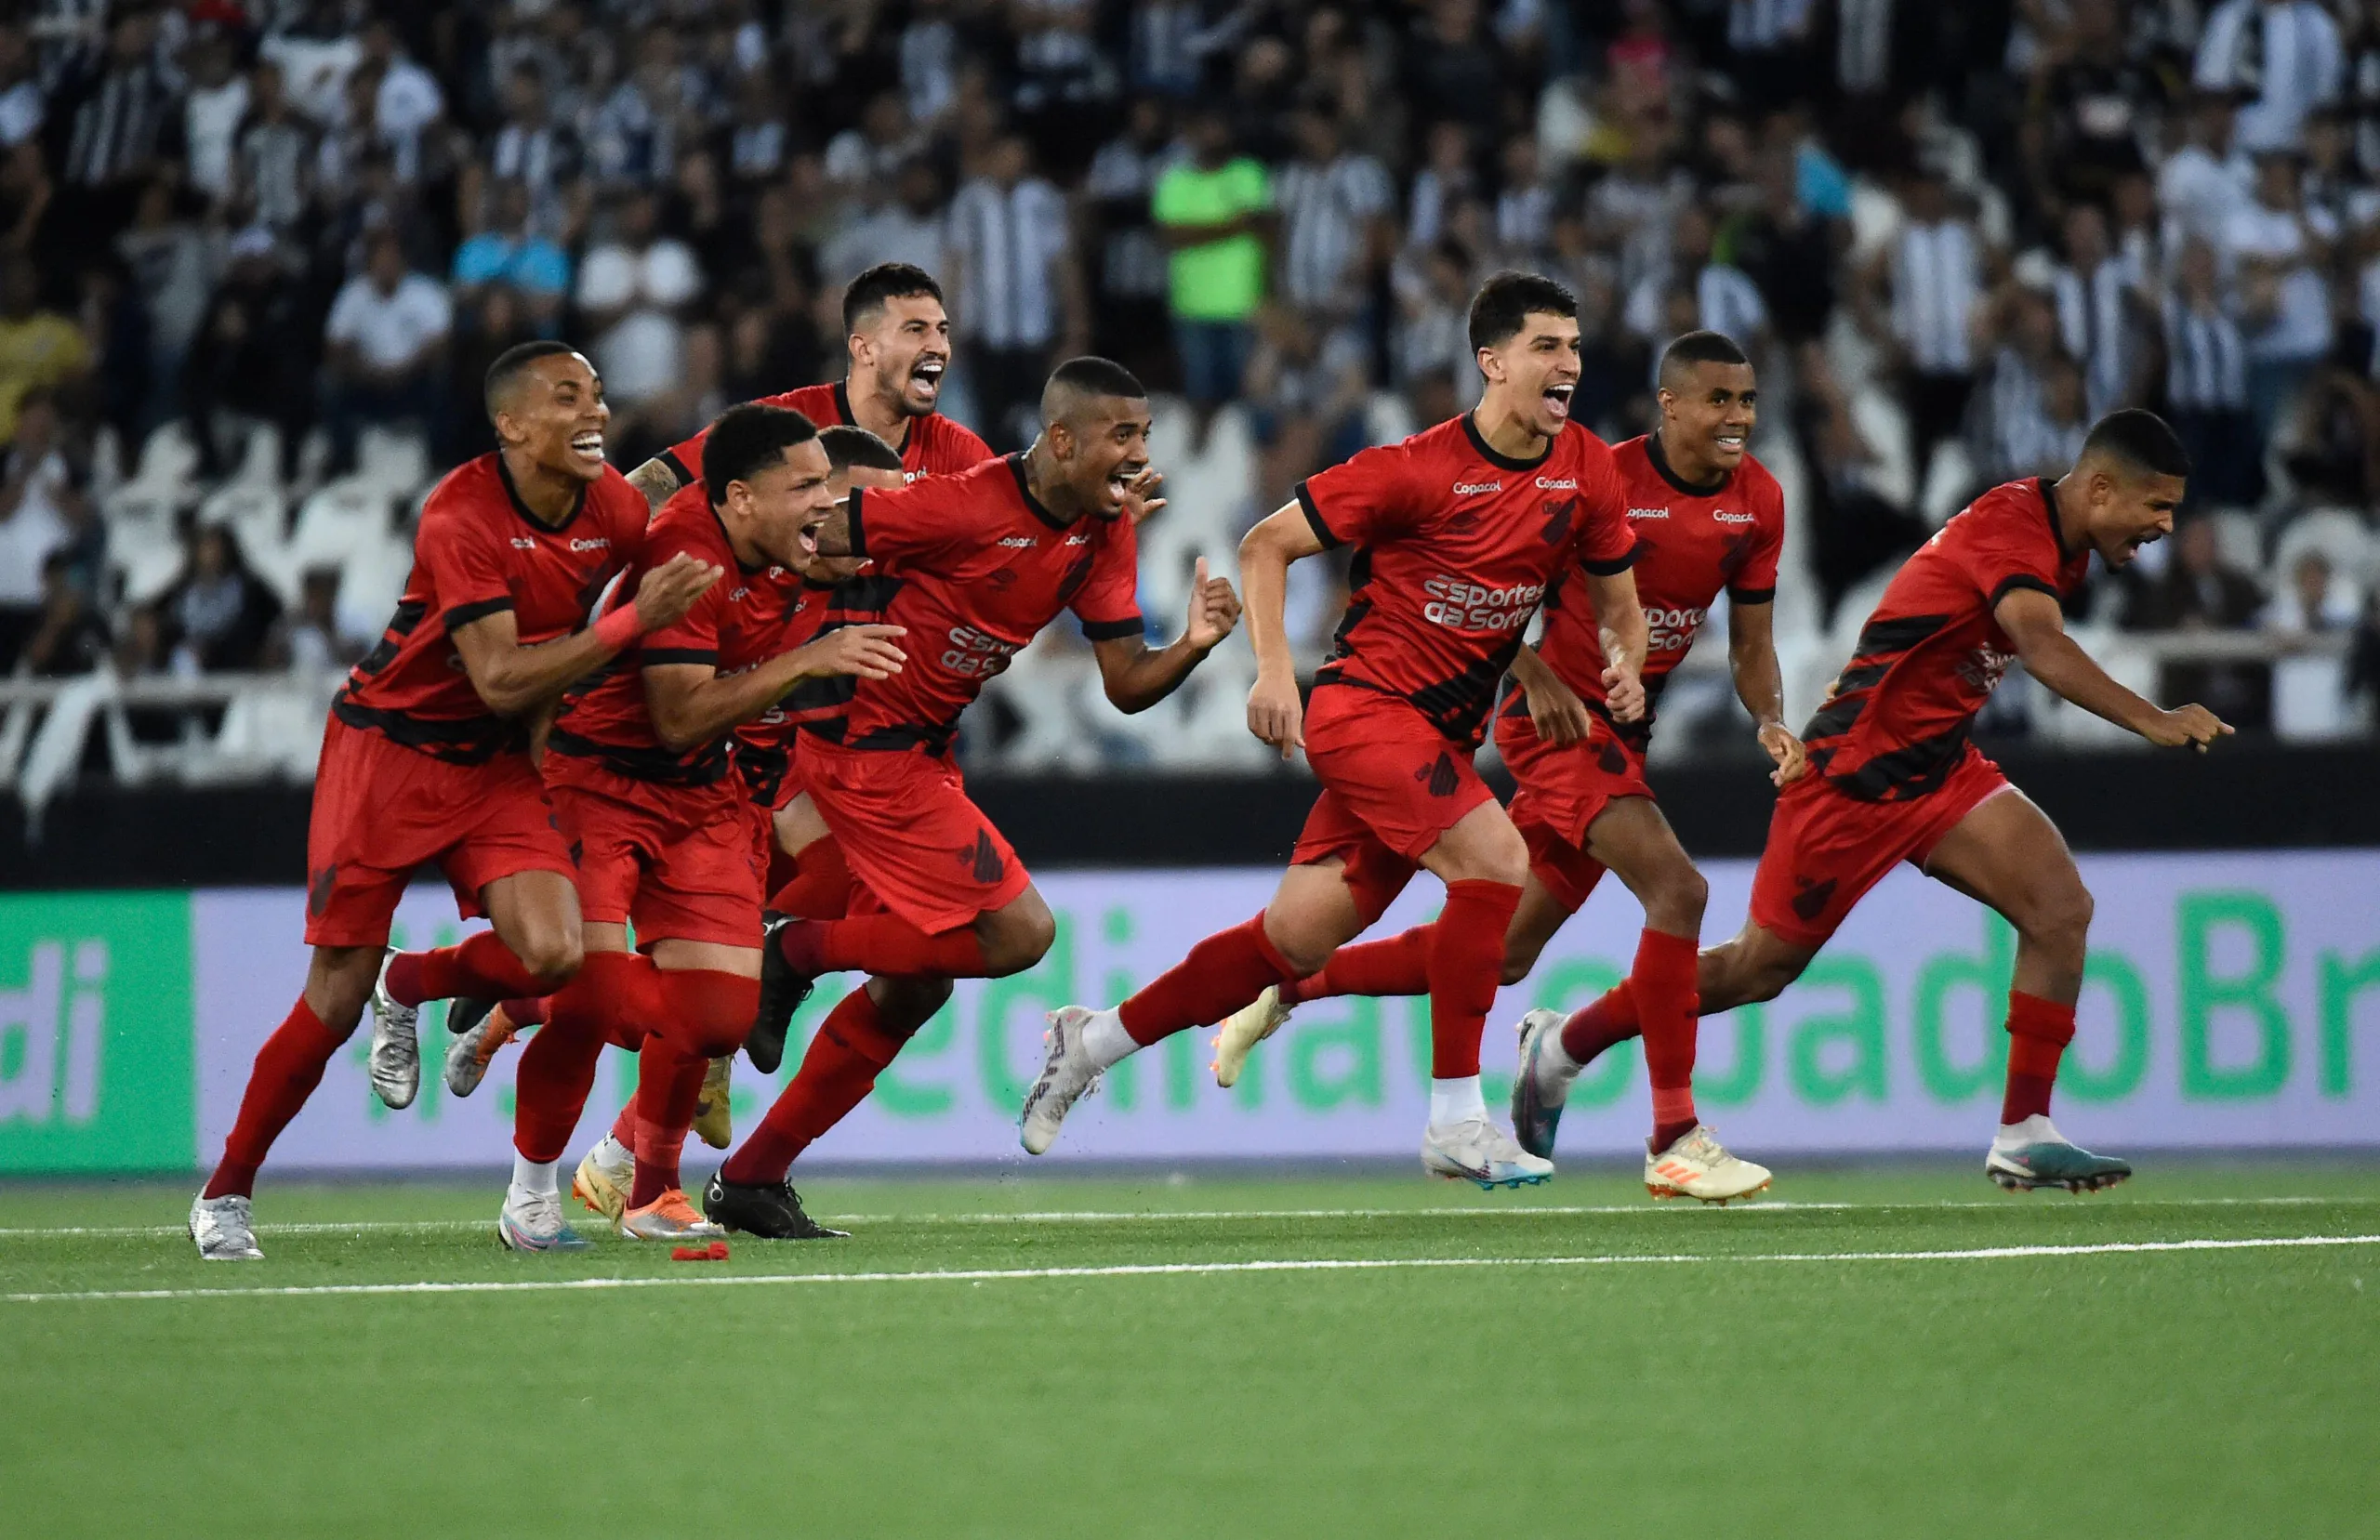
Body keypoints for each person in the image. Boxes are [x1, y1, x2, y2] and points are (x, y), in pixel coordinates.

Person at [1019, 272, 1645, 1190]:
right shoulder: (1413, 469)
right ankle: (1455, 1118)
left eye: (1575, 347)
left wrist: (1612, 659)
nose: (1568, 365)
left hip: (1439, 736)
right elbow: (1265, 543)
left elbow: (1607, 603)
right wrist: (1276, 669)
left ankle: (1093, 1040)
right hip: (1363, 711)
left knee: (1292, 942)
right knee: (1497, 862)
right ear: (1492, 360)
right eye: (1547, 346)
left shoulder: (1585, 467)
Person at [1551, 410, 2232, 1193]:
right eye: (2157, 506)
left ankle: (2024, 1129)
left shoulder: (2063, 543)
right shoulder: (2014, 526)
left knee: (2059, 908)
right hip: (1853, 775)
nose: (2165, 526)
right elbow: (2041, 645)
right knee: (1756, 968)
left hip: (1939, 771)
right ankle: (1569, 1039)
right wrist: (2153, 717)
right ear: (2103, 488)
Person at [1210, 330, 1796, 1202]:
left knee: (1503, 951)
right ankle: (1674, 1136)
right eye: (1719, 401)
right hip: (1552, 719)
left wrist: (1773, 718)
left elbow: (1752, 642)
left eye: (1747, 401)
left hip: (1621, 729)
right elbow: (1494, 580)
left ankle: (1299, 986)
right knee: (1680, 891)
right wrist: (1525, 668)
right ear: (1670, 405)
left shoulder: (1760, 502)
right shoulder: (1600, 474)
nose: (1738, 418)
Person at [188, 342, 720, 1261]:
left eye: (597, 396)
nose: (594, 413)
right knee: (334, 996)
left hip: (497, 766)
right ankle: (226, 1189)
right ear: (510, 423)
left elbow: (685, 540)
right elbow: (504, 676)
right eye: (567, 398)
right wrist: (636, 618)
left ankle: (416, 980)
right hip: (387, 755)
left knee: (555, 955)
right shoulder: (459, 514)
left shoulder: (616, 509)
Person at [701, 357, 1244, 1238]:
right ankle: (790, 951)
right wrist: (796, 587)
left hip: (922, 754)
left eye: (1144, 435)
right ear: (1061, 440)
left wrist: (1195, 643)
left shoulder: (1105, 531)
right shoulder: (963, 504)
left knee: (914, 988)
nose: (1140, 454)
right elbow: (810, 534)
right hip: (862, 753)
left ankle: (752, 1177)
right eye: (1122, 435)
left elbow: (1126, 684)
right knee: (1021, 932)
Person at [404, 403, 905, 1247]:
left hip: (709, 792)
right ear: (744, 499)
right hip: (598, 778)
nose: (846, 518)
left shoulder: (807, 555)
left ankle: (644, 1189)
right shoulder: (688, 556)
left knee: (715, 1015)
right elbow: (676, 716)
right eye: (817, 492)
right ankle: (530, 1185)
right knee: (592, 1001)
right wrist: (805, 662)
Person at [626, 263, 994, 508]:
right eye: (916, 331)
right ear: (863, 349)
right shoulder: (783, 424)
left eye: (942, 331)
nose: (938, 347)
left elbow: (1022, 523)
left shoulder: (958, 454)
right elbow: (660, 479)